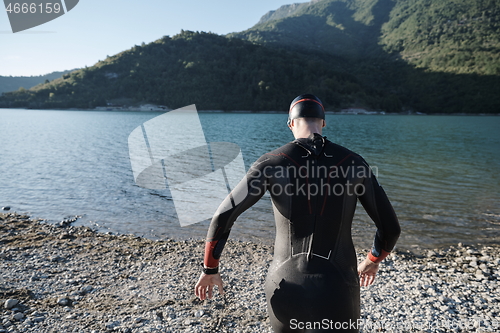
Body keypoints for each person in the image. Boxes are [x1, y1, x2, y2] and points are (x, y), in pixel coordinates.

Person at [194, 94, 401, 332]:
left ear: (291, 123)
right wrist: (372, 260)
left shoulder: (270, 163)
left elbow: (223, 216)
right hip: (338, 286)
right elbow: (390, 228)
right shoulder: (354, 163)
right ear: (323, 122)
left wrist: (210, 269)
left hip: (285, 281)